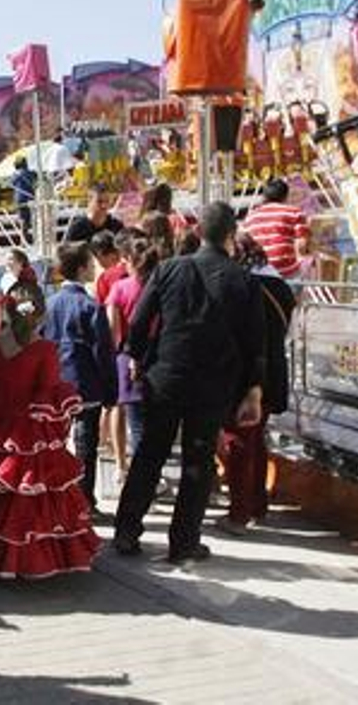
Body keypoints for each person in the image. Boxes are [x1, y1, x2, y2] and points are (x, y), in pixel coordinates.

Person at [114, 202, 266, 564]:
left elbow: (139, 321)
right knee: (198, 461)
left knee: (150, 452)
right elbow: (255, 343)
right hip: (212, 383)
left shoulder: (168, 269)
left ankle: (126, 531)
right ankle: (183, 541)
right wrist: (253, 390)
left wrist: (136, 357)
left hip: (166, 375)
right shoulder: (244, 280)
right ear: (231, 236)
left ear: (199, 232)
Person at [0, 281, 100, 577]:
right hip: (31, 433)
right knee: (34, 499)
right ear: (40, 314)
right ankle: (31, 561)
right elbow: (49, 393)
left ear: (6, 308)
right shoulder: (44, 350)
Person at [216, 234, 298, 536]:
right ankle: (258, 501)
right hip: (275, 370)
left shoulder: (242, 287)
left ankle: (240, 511)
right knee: (256, 438)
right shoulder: (280, 287)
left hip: (248, 374)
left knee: (239, 440)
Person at [42, 242, 117, 510]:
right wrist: (111, 389)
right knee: (86, 445)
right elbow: (103, 352)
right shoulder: (89, 306)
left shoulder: (48, 305)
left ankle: (55, 496)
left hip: (54, 384)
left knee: (54, 443)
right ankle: (84, 500)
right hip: (86, 384)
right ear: (83, 268)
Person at [102, 238, 161, 479]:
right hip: (157, 355)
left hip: (127, 355)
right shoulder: (160, 286)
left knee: (127, 414)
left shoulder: (120, 288)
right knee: (153, 421)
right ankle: (150, 472)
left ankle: (122, 465)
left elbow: (113, 331)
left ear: (131, 261)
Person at [242, 178, 311, 279]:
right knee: (309, 264)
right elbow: (302, 246)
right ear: (286, 196)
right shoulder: (294, 212)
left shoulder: (251, 215)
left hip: (258, 272)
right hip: (285, 272)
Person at [10, 158, 36, 242]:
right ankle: (24, 239)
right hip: (28, 198)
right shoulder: (28, 173)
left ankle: (24, 238)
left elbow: (12, 183)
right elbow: (34, 178)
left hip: (18, 199)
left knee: (23, 219)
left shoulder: (14, 174)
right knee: (28, 219)